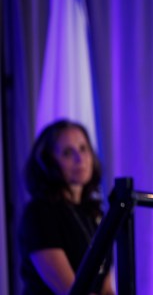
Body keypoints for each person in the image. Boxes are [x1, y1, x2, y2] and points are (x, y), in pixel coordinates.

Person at [18, 119, 114, 295]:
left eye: (84, 149)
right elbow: (72, 291)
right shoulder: (39, 213)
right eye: (68, 153)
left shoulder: (95, 213)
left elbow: (106, 288)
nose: (80, 159)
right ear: (48, 162)